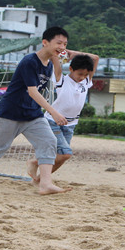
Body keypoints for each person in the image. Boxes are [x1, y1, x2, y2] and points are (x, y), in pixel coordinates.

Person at [0, 26, 72, 195]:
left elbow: (61, 61)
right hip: (11, 113)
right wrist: (53, 111)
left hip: (32, 114)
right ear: (45, 42)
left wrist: (61, 53)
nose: (62, 47)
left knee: (49, 141)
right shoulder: (29, 61)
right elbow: (32, 91)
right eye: (59, 43)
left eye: (65, 44)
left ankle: (45, 184)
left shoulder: (49, 64)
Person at [26, 50, 99, 182]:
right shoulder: (61, 80)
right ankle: (35, 162)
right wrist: (64, 52)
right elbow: (54, 56)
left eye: (85, 74)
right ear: (71, 69)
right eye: (80, 74)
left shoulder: (86, 82)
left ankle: (39, 179)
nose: (82, 77)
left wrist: (72, 53)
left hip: (70, 125)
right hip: (53, 121)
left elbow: (95, 58)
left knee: (61, 156)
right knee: (65, 154)